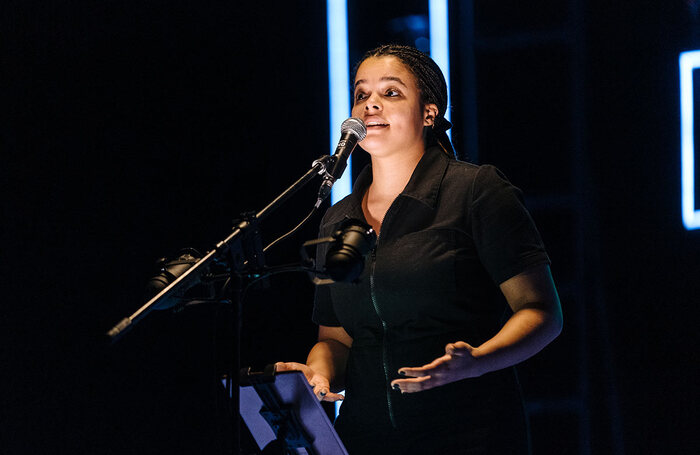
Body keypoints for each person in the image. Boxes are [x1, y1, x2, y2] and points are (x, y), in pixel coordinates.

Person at [277, 44, 563, 454]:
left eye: (390, 93)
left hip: (468, 433)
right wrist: (317, 377)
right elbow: (337, 339)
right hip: (366, 439)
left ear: (429, 113)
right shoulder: (337, 219)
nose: (370, 103)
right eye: (361, 94)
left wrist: (477, 360)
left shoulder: (475, 190)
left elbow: (542, 313)